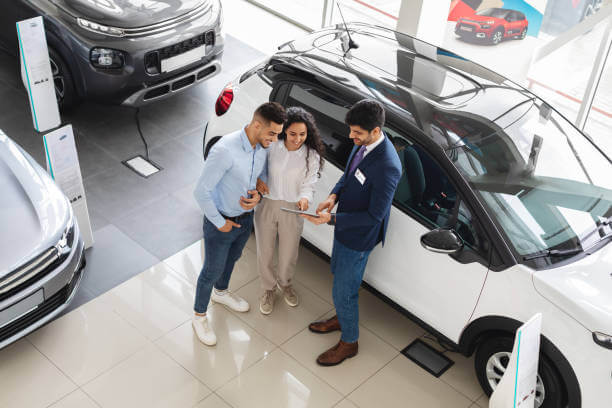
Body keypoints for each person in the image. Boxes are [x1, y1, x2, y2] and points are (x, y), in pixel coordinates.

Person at [301, 99, 401, 366]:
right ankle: (343, 317)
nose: (351, 136)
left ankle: (349, 341)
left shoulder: (387, 166)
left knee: (344, 291)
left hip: (358, 236)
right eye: (351, 130)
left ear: (375, 131)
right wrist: (333, 196)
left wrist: (330, 219)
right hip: (344, 225)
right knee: (340, 278)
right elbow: (349, 174)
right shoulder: (364, 145)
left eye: (357, 132)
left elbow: (373, 217)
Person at [192, 102, 287, 346]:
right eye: (272, 133)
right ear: (257, 125)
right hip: (221, 221)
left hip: (245, 219)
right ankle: (199, 317)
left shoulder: (262, 146)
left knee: (232, 259)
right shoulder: (225, 150)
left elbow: (260, 176)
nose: (275, 139)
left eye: (278, 134)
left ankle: (221, 293)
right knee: (211, 270)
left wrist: (258, 192)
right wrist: (219, 222)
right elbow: (201, 191)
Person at [254, 107, 325, 315]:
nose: (297, 139)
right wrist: (258, 181)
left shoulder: (311, 156)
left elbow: (310, 183)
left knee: (288, 253)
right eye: (293, 134)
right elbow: (257, 168)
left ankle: (285, 283)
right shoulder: (271, 146)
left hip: (292, 208)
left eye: (302, 134)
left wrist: (305, 199)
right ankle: (268, 289)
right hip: (267, 204)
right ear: (284, 130)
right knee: (265, 251)